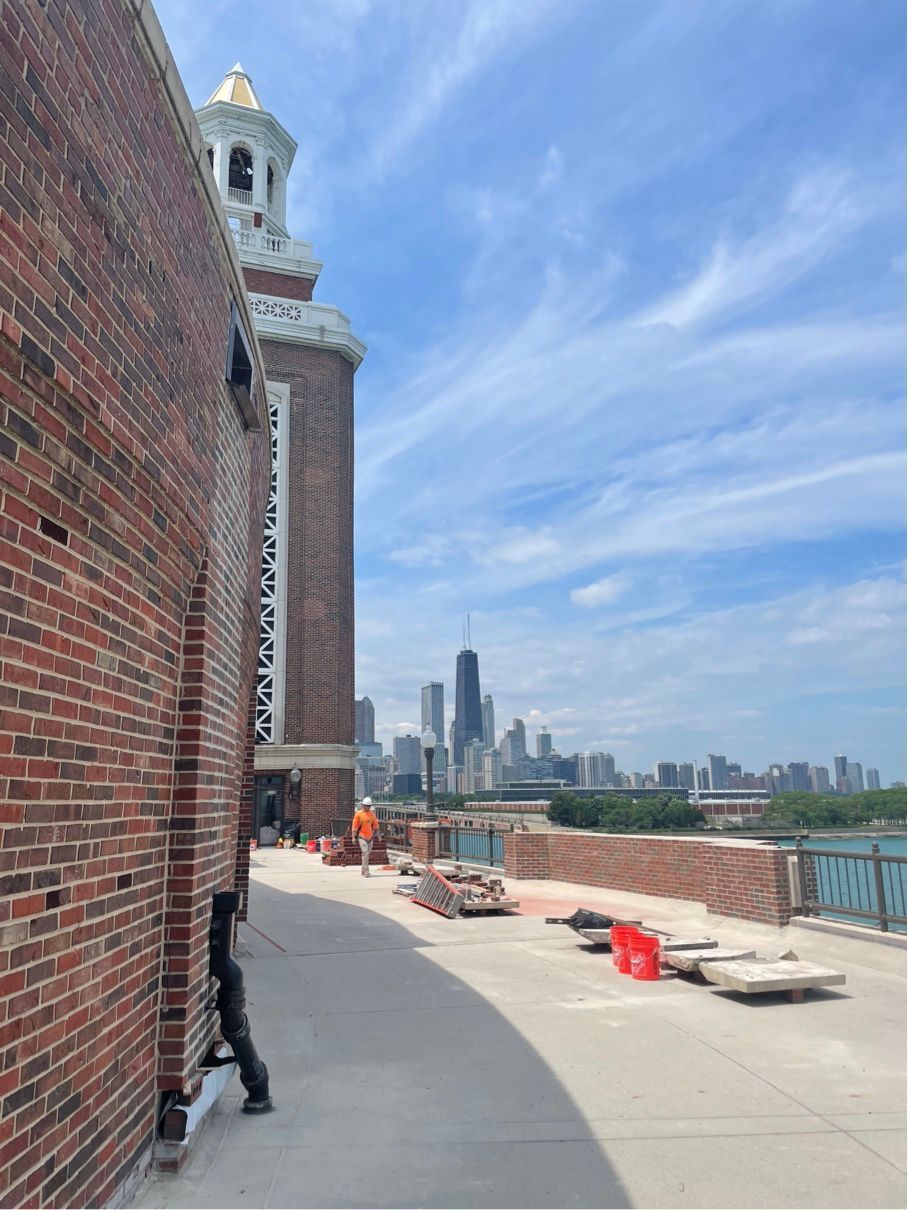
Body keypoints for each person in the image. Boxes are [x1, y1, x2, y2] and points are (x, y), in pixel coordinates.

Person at [351, 796, 381, 876]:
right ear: (363, 805)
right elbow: (354, 827)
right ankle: (366, 871)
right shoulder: (358, 814)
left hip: (370, 837)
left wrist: (379, 836)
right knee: (365, 852)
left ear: (370, 806)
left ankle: (363, 869)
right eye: (365, 805)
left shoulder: (372, 815)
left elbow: (376, 826)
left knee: (367, 853)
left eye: (368, 806)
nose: (366, 807)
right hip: (362, 836)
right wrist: (353, 837)